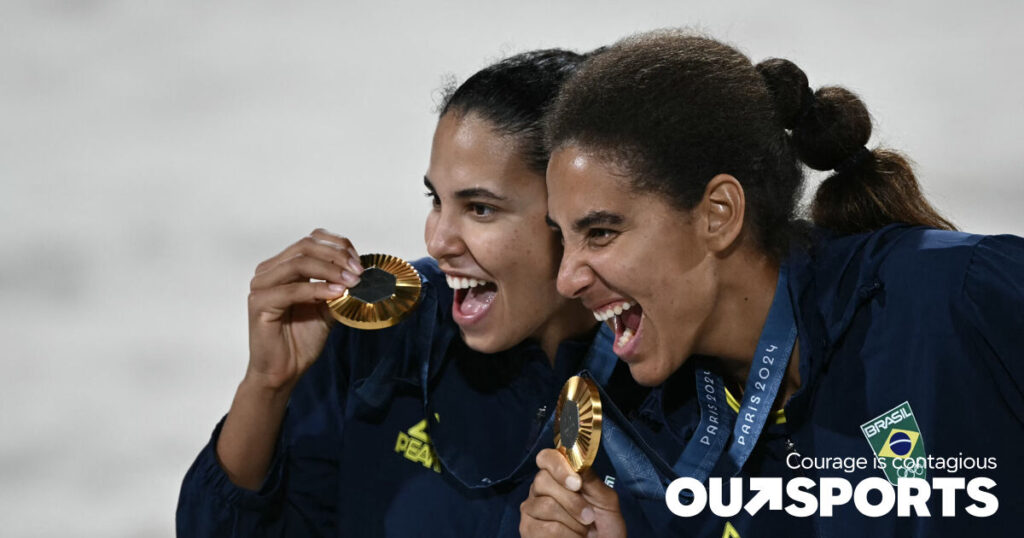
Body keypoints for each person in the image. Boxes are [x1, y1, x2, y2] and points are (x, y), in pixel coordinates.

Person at [525, 30, 1024, 536]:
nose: (567, 279)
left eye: (602, 232)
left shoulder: (958, 295)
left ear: (718, 214)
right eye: (563, 239)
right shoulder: (653, 439)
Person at [176, 48, 646, 537]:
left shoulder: (663, 376)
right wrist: (266, 386)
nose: (438, 241)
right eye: (436, 200)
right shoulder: (380, 337)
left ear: (576, 214)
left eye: (480, 208)